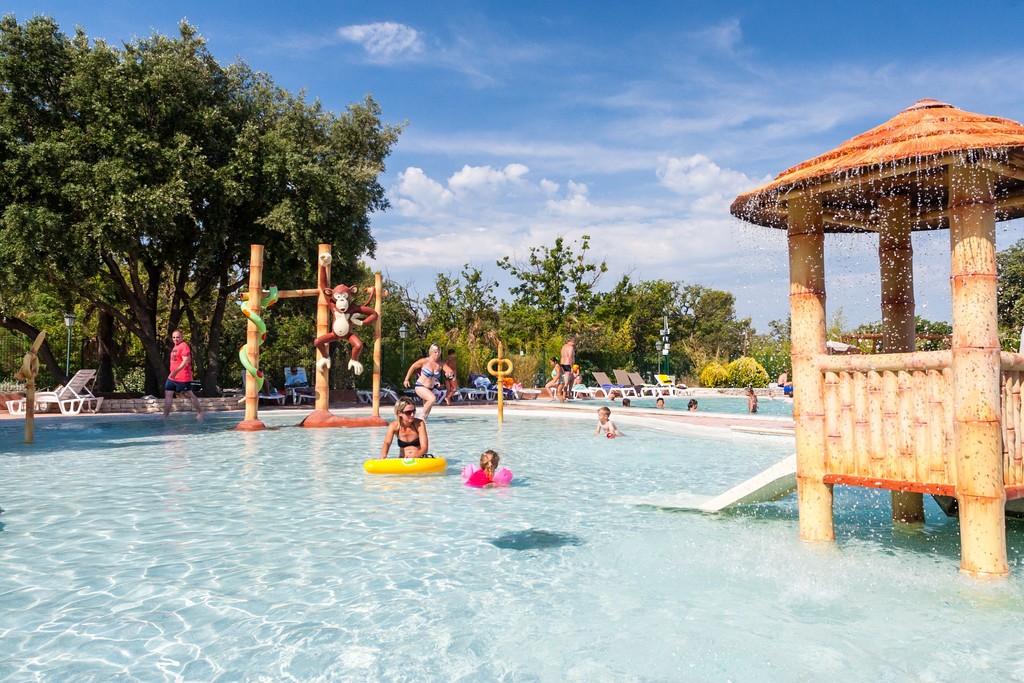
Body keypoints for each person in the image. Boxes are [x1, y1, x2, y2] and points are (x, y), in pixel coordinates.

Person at [163, 330, 203, 419]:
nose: (175, 339)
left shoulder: (184, 346)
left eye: (177, 337)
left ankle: (200, 412)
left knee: (189, 394)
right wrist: (173, 373)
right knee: (168, 394)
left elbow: (185, 362)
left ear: (182, 337)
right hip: (172, 377)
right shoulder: (175, 347)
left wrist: (176, 372)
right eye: (174, 337)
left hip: (182, 376)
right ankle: (165, 416)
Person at [404, 344, 445, 419]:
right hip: (421, 386)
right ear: (431, 352)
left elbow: (448, 371)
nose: (437, 354)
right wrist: (406, 379)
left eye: (439, 352)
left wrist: (449, 374)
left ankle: (421, 424)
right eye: (435, 352)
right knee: (432, 399)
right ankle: (418, 419)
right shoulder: (424, 361)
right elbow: (413, 367)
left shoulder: (439, 364)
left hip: (431, 389)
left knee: (427, 411)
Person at [559, 337, 576, 401]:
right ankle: (564, 395)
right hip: (568, 364)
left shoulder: (564, 346)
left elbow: (562, 356)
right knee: (566, 381)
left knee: (571, 378)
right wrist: (571, 367)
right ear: (573, 342)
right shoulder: (571, 347)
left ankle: (569, 394)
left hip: (562, 363)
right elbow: (570, 357)